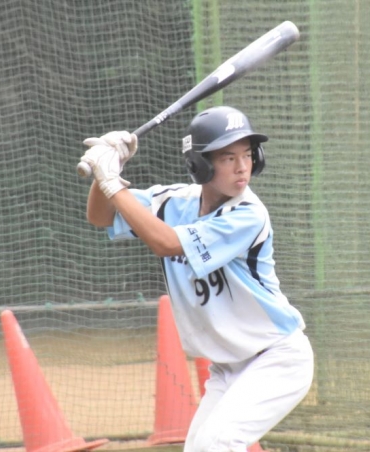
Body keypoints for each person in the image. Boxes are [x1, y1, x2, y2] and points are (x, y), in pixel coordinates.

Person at [81, 106, 314, 452]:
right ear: (199, 165)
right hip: (228, 368)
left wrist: (112, 182)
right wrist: (107, 173)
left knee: (218, 443)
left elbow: (165, 242)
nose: (242, 167)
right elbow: (101, 216)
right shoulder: (173, 202)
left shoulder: (248, 214)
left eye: (248, 154)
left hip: (276, 359)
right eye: (228, 158)